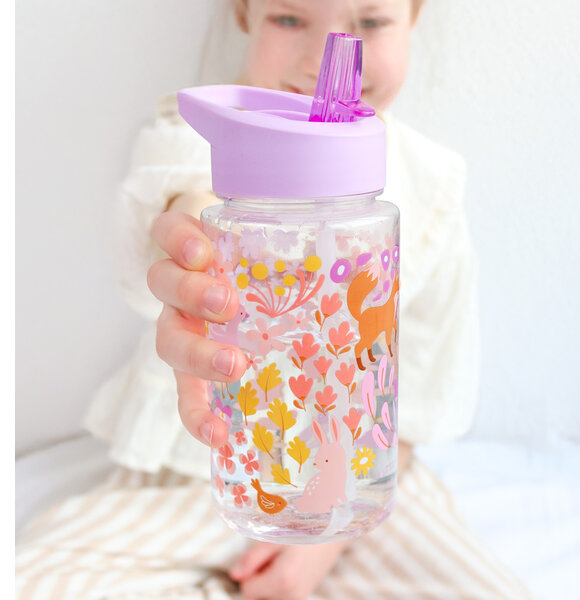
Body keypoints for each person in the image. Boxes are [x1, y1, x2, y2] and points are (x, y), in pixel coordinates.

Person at [16, 1, 532, 598]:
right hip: (192, 476)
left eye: (370, 23)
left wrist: (326, 542)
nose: (324, 59)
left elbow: (416, 404)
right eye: (289, 19)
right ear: (245, 12)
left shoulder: (433, 186)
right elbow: (188, 194)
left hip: (362, 489)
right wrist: (197, 249)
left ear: (415, 16)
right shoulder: (199, 140)